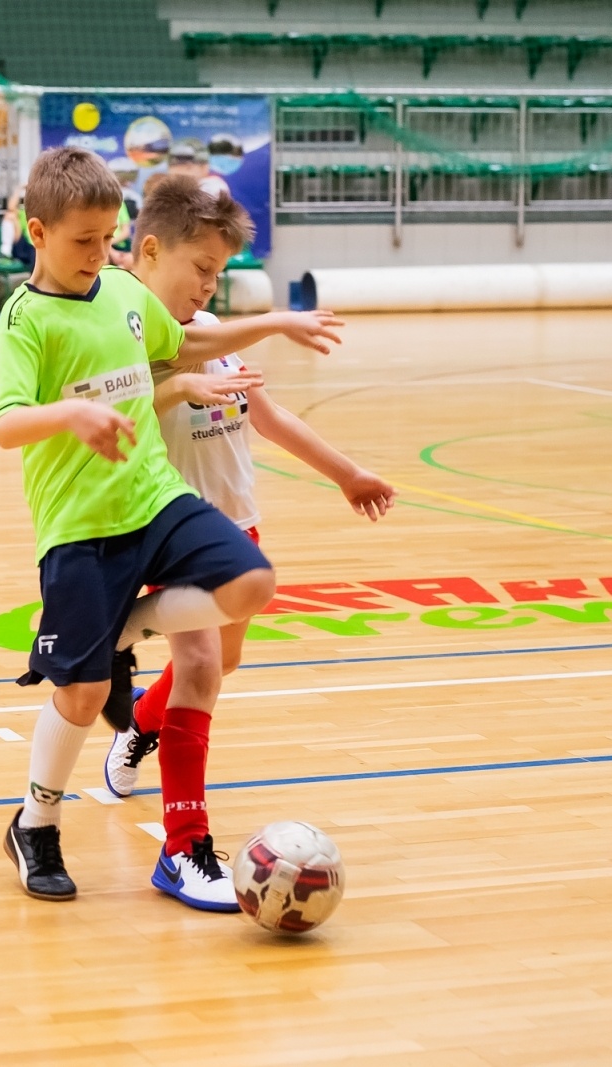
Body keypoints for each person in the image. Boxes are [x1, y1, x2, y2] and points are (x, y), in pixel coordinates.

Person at [0, 147, 344, 907]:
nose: (98, 255)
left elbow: (183, 344)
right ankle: (36, 822)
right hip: (79, 524)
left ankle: (123, 631)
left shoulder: (121, 288)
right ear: (36, 231)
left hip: (154, 500)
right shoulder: (25, 319)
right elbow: (8, 424)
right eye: (83, 241)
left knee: (250, 582)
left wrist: (276, 320)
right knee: (82, 698)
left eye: (107, 238)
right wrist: (74, 412)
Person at [102, 175, 396, 911]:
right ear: (151, 250)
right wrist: (275, 319)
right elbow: (172, 360)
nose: (209, 283)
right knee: (200, 663)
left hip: (236, 529)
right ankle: (182, 845)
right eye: (200, 267)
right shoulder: (142, 338)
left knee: (221, 661)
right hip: (167, 530)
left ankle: (137, 722)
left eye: (218, 271)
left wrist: (346, 471)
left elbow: (271, 420)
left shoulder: (224, 350)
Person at [3, 182, 34, 274]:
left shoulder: (40, 212)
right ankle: (5, 252)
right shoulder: (21, 213)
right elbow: (11, 207)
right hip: (23, 245)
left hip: (37, 246)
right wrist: (19, 189)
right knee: (10, 216)